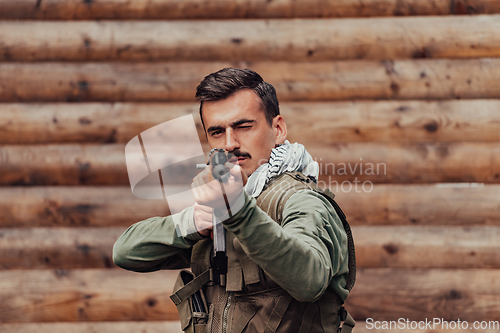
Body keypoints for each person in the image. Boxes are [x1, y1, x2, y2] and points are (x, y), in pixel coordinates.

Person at [113, 68, 355, 333]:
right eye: (217, 132)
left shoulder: (301, 199)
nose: (229, 143)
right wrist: (193, 222)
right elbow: (125, 253)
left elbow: (310, 280)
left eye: (243, 126)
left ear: (278, 129)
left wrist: (238, 211)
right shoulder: (220, 201)